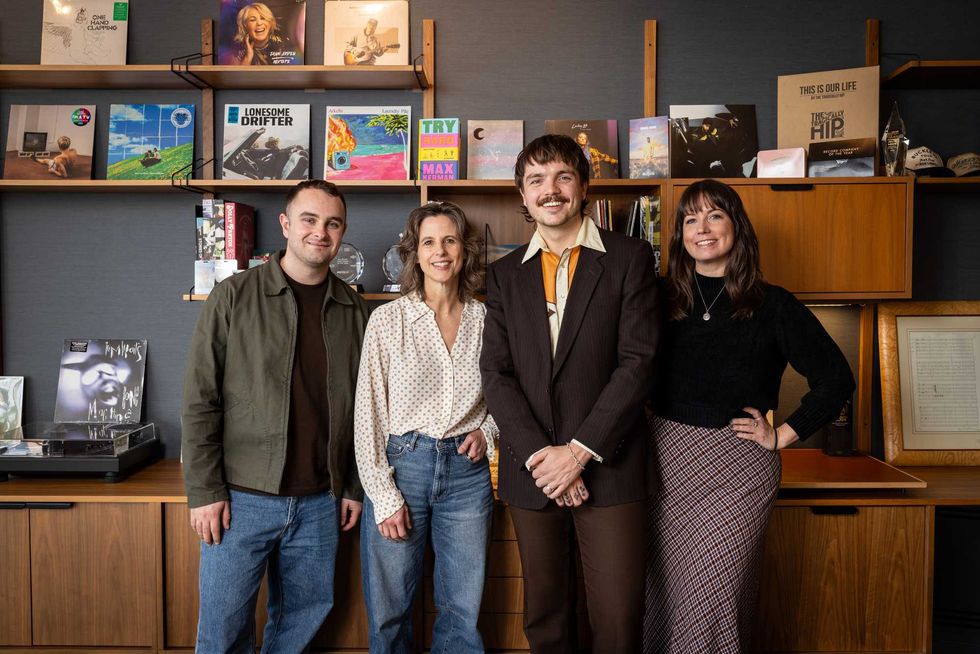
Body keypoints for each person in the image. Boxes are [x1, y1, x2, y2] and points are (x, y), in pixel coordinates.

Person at [643, 179, 855, 654]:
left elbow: (836, 378)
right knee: (664, 600)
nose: (702, 228)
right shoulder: (658, 298)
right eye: (690, 219)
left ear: (736, 226)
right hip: (664, 465)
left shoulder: (772, 304)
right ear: (679, 234)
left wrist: (783, 435)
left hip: (738, 471)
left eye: (714, 215)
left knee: (710, 603)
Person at [480, 134, 658, 653]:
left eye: (563, 176)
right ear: (523, 194)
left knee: (618, 620)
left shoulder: (630, 257)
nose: (550, 189)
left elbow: (638, 362)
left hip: (611, 466)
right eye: (536, 180)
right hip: (532, 470)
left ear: (583, 187)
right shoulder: (504, 274)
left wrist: (577, 454)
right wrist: (544, 457)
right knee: (547, 618)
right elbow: (496, 375)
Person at [181, 179, 368, 653]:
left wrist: (351, 486)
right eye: (309, 219)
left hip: (321, 503)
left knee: (299, 629)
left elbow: (365, 410)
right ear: (286, 224)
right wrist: (204, 491)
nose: (320, 232)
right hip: (239, 499)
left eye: (333, 223)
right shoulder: (233, 296)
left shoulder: (353, 309)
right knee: (222, 633)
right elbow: (200, 399)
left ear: (342, 233)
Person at [355, 201, 496, 654]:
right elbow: (368, 414)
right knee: (390, 611)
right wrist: (384, 495)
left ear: (464, 250)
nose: (440, 252)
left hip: (467, 475)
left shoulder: (486, 320)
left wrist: (488, 431)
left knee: (462, 610)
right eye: (429, 242)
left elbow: (506, 394)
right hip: (403, 468)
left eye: (450, 241)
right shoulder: (388, 320)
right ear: (414, 253)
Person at [230, 2, 299, 66]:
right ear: (244, 26)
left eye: (263, 18)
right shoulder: (236, 52)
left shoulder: (284, 45)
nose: (259, 23)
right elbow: (238, 74)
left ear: (270, 23)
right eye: (252, 20)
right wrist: (248, 57)